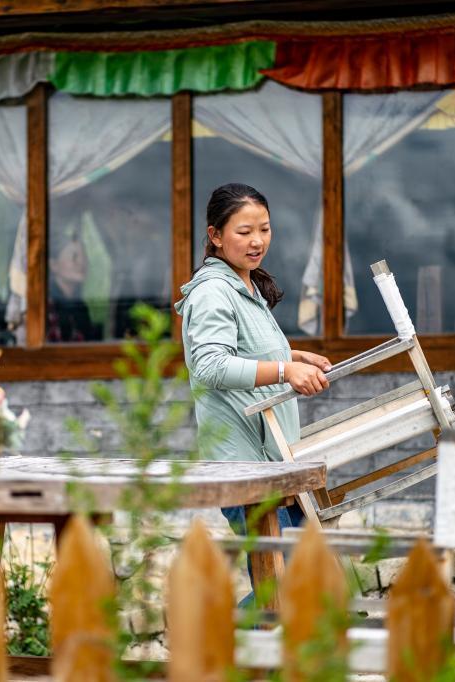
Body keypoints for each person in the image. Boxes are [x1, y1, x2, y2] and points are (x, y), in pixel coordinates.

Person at [174, 183, 332, 604]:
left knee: (300, 582)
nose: (257, 240)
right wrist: (284, 369)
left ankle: (238, 657)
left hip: (275, 466)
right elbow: (209, 366)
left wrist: (292, 355)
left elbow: (242, 351)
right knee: (287, 584)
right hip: (245, 468)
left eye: (264, 228)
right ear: (215, 235)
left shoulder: (247, 288)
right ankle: (212, 649)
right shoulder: (212, 292)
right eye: (244, 231)